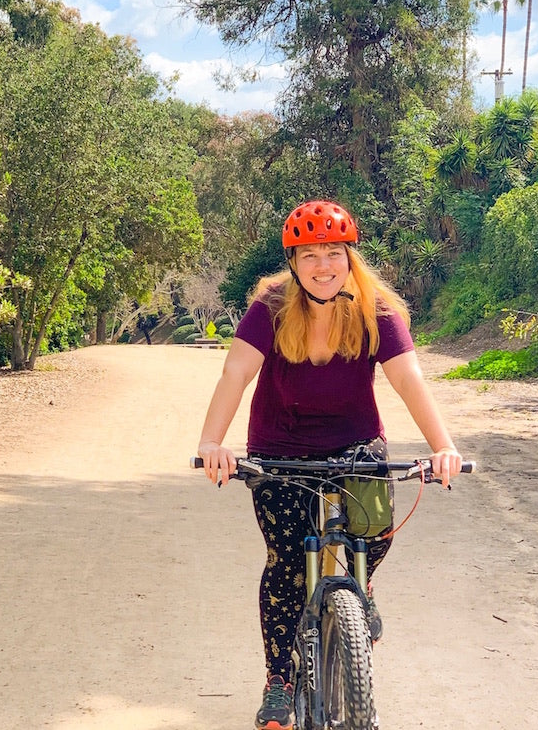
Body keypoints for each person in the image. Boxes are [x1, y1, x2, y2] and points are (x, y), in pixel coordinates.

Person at [196, 200, 464, 730]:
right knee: (287, 563)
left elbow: (408, 379)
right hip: (279, 448)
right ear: (293, 263)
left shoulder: (377, 309)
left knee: (375, 531)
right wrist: (212, 443)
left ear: (350, 257)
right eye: (310, 254)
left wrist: (443, 446)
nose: (323, 265)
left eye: (334, 253)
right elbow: (234, 375)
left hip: (355, 443)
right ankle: (279, 680)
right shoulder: (270, 307)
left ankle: (359, 587)